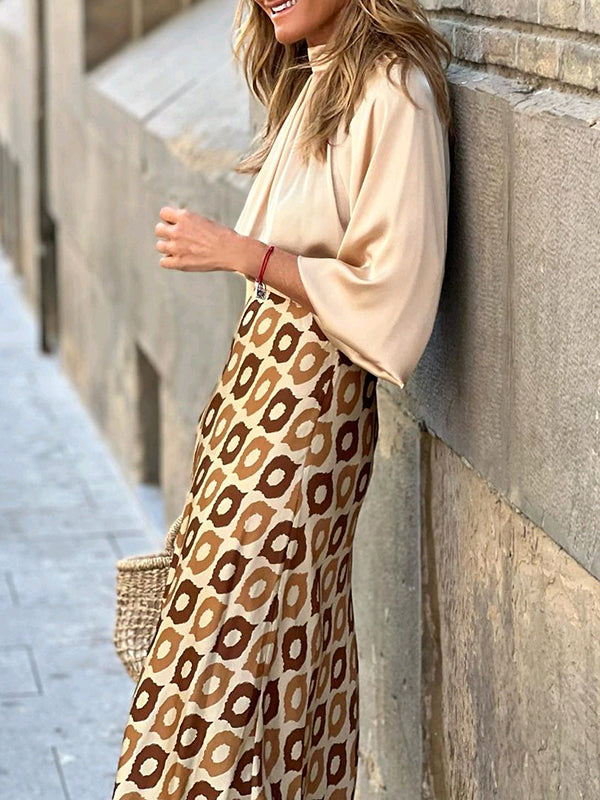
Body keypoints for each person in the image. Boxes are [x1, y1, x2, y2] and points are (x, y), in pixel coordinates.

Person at [111, 0, 452, 797]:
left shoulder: (394, 89)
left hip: (307, 412)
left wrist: (242, 253)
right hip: (256, 396)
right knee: (244, 664)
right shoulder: (316, 78)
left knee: (226, 667)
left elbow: (395, 294)